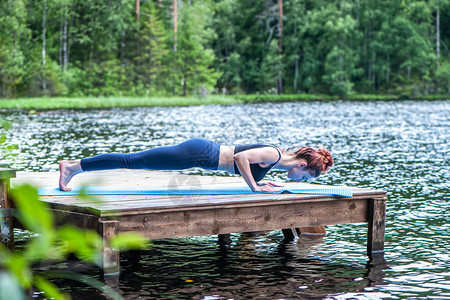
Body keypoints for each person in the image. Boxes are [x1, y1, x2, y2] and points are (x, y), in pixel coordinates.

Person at [58, 138, 333, 192]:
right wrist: (255, 189)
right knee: (133, 160)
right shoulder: (274, 154)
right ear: (301, 163)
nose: (299, 181)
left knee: (136, 162)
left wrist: (259, 181)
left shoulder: (274, 159)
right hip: (198, 153)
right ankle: (72, 167)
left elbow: (246, 162)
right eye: (305, 176)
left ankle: (74, 167)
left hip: (198, 156)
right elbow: (239, 158)